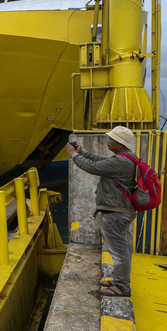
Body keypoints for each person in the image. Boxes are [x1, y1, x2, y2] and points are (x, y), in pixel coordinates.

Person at [66, 126, 138, 297]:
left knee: (120, 251)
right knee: (122, 249)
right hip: (120, 212)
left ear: (120, 143)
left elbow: (92, 167)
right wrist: (83, 152)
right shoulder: (126, 158)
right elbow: (99, 162)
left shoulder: (121, 161)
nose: (108, 141)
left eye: (111, 139)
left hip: (116, 214)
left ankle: (122, 287)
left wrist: (74, 155)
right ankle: (119, 280)